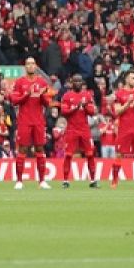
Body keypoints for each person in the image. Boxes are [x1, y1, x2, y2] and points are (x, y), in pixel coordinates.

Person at [10, 56, 52, 190]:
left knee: (40, 149)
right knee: (22, 149)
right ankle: (19, 181)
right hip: (24, 120)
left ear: (36, 66)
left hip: (38, 120)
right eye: (28, 64)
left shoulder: (42, 83)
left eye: (32, 64)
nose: (30, 66)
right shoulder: (19, 82)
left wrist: (41, 95)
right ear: (25, 67)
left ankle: (42, 181)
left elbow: (48, 103)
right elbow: (14, 100)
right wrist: (27, 94)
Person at [59, 74, 99, 189]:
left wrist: (85, 105)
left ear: (82, 83)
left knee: (90, 154)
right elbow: (64, 111)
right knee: (68, 155)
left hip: (85, 129)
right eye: (75, 81)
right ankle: (65, 180)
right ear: (71, 83)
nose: (77, 83)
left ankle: (93, 180)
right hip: (72, 129)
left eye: (79, 81)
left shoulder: (87, 95)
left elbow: (92, 112)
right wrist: (76, 107)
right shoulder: (67, 96)